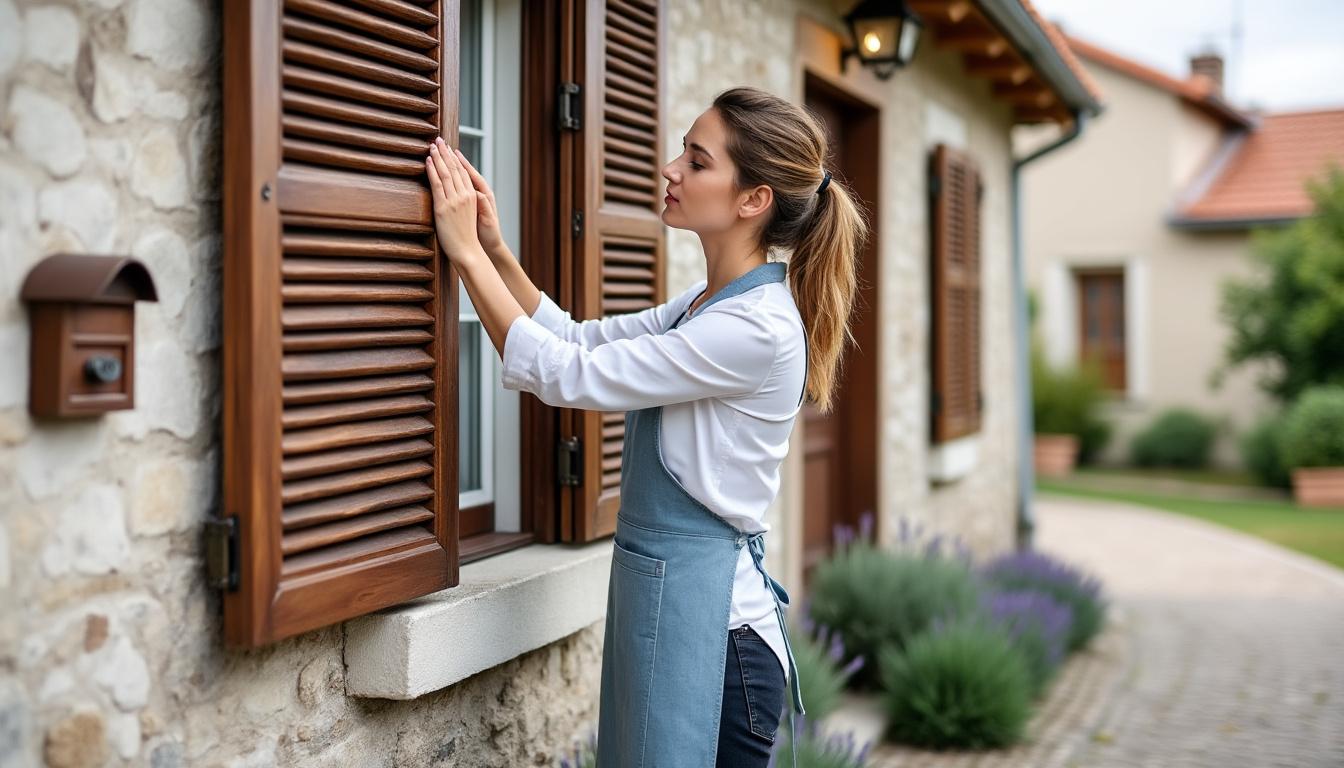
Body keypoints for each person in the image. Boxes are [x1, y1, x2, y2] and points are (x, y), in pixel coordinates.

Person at [425, 85, 866, 768]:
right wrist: (496, 249)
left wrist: (464, 258)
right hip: (670, 613)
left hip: (717, 649)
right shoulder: (707, 304)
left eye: (696, 160)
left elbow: (565, 377)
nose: (670, 169)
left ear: (753, 200)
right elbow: (577, 340)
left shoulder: (753, 329)